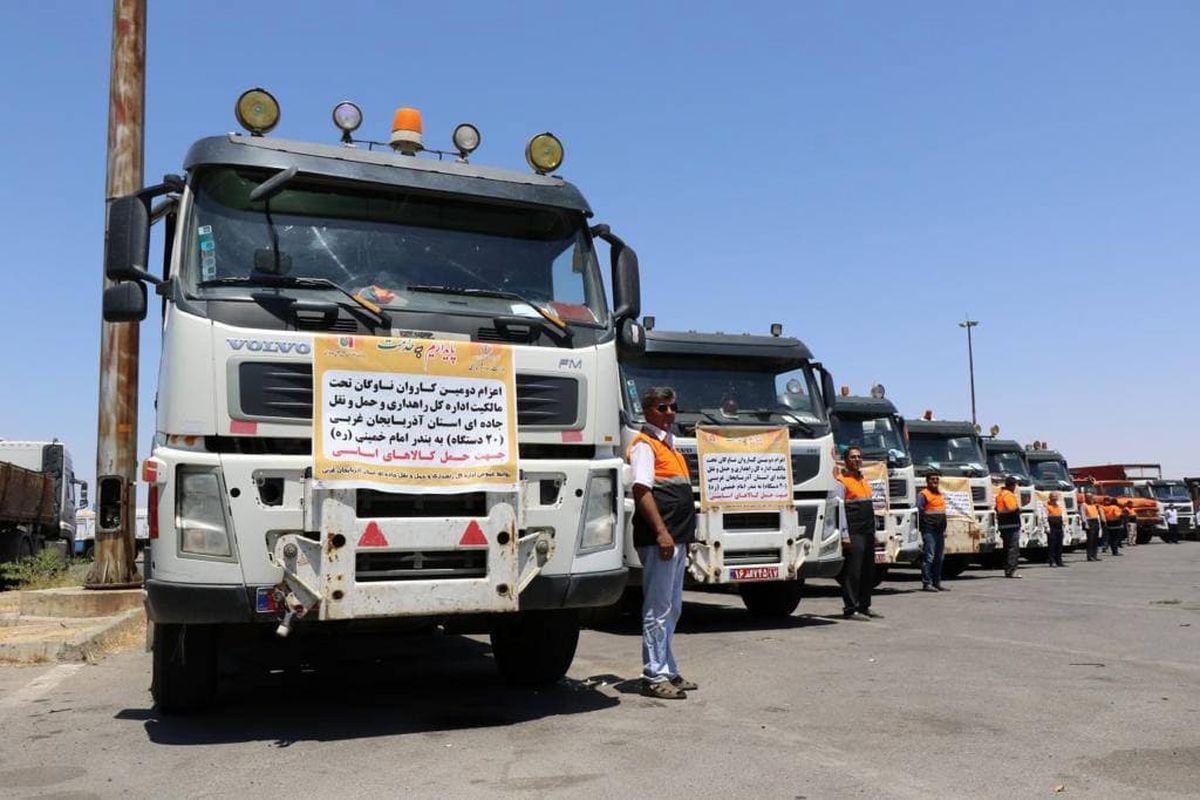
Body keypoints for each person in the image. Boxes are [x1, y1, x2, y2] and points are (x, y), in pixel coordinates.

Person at [627, 386, 698, 700]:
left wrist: (684, 537)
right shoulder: (645, 445)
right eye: (662, 408)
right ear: (647, 410)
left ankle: (668, 669)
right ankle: (653, 675)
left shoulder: (670, 445)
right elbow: (642, 491)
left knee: (673, 608)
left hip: (677, 538)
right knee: (657, 609)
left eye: (673, 407)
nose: (669, 413)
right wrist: (661, 532)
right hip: (662, 540)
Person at [835, 446, 882, 619]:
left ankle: (864, 606)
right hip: (854, 533)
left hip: (868, 532)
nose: (857, 459)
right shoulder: (841, 481)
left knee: (868, 571)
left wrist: (874, 532)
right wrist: (844, 534)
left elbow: (869, 507)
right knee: (853, 572)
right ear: (845, 461)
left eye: (859, 457)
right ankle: (850, 608)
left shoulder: (863, 480)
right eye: (853, 457)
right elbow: (839, 510)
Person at [917, 470, 948, 591]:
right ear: (927, 481)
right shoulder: (923, 495)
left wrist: (944, 529)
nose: (935, 481)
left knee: (939, 558)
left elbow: (942, 512)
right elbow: (918, 511)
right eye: (932, 479)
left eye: (937, 479)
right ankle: (927, 583)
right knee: (929, 557)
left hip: (940, 531)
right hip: (929, 530)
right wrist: (923, 527)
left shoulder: (939, 494)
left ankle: (937, 582)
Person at [995, 476, 1022, 578]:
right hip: (1012, 525)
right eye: (1015, 485)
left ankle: (1007, 569)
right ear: (1012, 485)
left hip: (1003, 525)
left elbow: (998, 509)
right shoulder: (1009, 495)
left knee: (1006, 548)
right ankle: (1012, 570)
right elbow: (1011, 508)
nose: (1015, 487)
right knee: (1013, 548)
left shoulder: (1000, 495)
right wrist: (1018, 509)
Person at [1045, 491, 1066, 567]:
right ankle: (1052, 561)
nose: (1054, 498)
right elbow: (1044, 517)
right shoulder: (1046, 505)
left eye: (1055, 497)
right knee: (1052, 545)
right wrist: (1047, 527)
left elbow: (1063, 515)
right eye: (1053, 497)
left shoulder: (1059, 505)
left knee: (1059, 544)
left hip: (1059, 526)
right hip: (1051, 526)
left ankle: (1059, 561)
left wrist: (1064, 524)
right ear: (1050, 498)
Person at [1083, 493, 1102, 561]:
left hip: (1095, 521)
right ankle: (1089, 556)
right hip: (1089, 522)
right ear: (1086, 498)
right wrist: (1086, 524)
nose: (1091, 498)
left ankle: (1095, 555)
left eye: (1092, 497)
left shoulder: (1094, 505)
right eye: (1089, 497)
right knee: (1090, 540)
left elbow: (1097, 515)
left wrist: (1099, 523)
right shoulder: (1084, 505)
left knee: (1095, 540)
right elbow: (1083, 515)